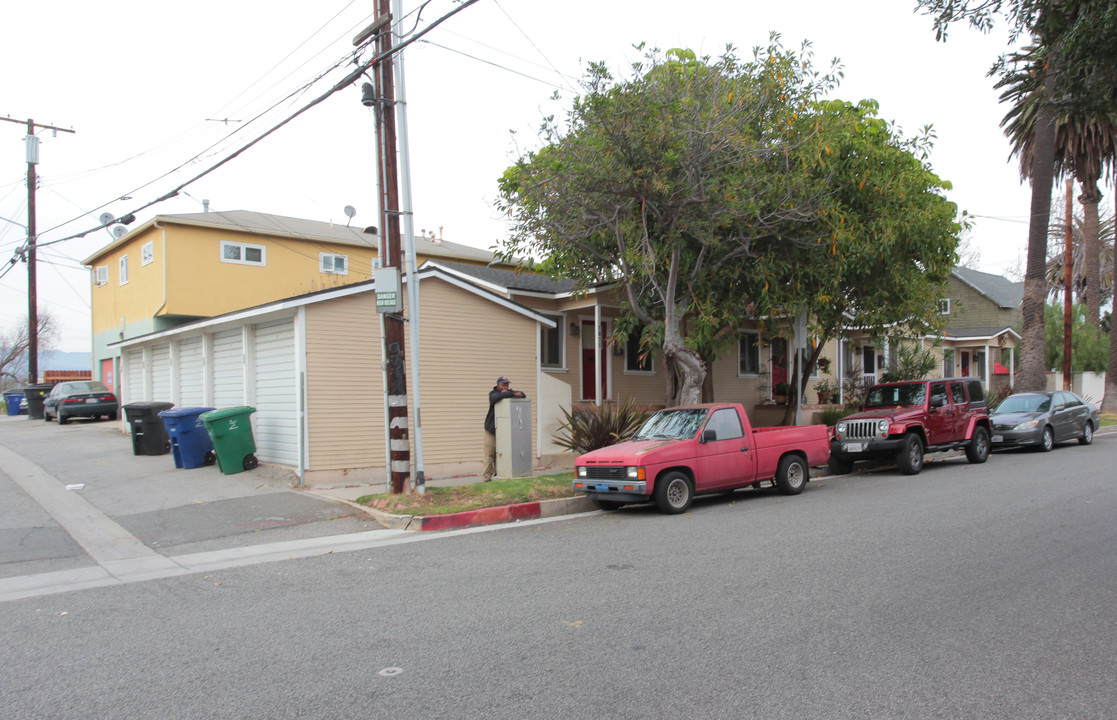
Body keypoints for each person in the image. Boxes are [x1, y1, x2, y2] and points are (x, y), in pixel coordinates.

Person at [483, 376, 526, 482]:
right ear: (498, 385)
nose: (506, 386)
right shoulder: (492, 394)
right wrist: (511, 394)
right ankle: (486, 477)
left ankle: (499, 475)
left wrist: (509, 393)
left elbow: (522, 395)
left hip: (504, 430)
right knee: (490, 454)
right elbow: (495, 397)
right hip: (491, 429)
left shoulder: (508, 392)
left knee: (502, 452)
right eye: (503, 384)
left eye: (507, 384)